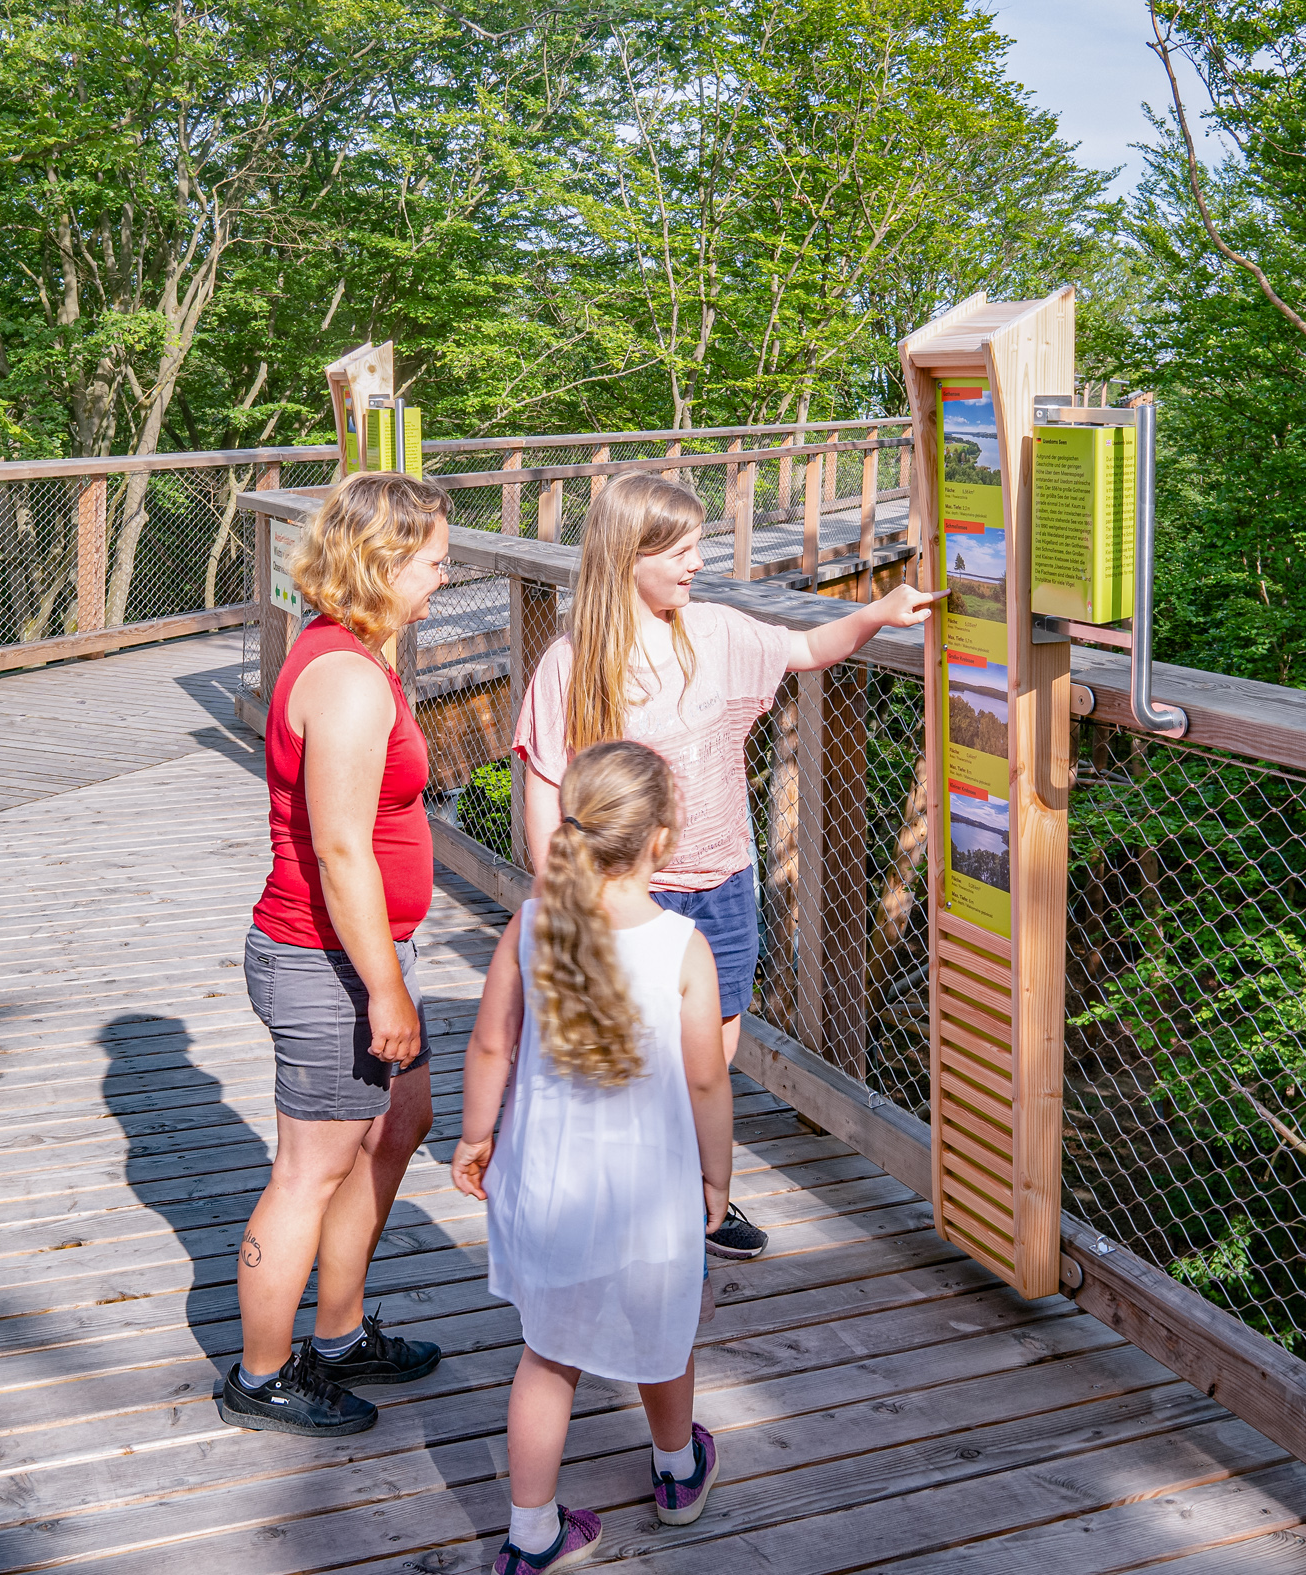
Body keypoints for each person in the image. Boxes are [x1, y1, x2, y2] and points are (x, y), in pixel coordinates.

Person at [511, 473, 942, 1261]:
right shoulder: (569, 664)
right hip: (622, 893)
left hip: (724, 878)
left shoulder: (713, 632)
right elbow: (544, 786)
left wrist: (879, 612)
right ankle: (641, 1194)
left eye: (697, 546)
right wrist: (564, 895)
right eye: (678, 551)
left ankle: (693, 1190)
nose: (696, 563)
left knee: (715, 1043)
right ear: (625, 555)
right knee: (635, 1050)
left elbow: (808, 648)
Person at [452, 741, 735, 1573]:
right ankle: (678, 1469)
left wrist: (475, 1136)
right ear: (662, 839)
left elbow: (489, 1045)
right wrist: (715, 1175)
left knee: (549, 1353)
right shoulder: (681, 946)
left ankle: (530, 1532)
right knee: (667, 1325)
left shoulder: (532, 922)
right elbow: (708, 1080)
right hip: (648, 1194)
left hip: (546, 1185)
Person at [218, 470, 453, 1438]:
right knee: (308, 1170)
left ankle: (342, 1331)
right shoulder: (349, 680)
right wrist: (385, 991)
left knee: (400, 1120)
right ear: (386, 559)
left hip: (357, 955)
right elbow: (341, 848)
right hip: (326, 962)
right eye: (435, 560)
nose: (445, 576)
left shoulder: (354, 653)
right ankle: (263, 1375)